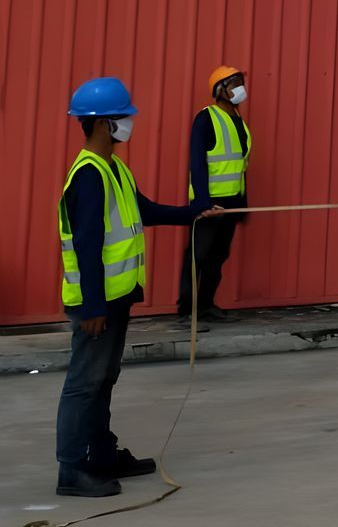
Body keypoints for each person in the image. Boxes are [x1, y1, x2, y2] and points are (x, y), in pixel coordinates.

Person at [56, 77, 221, 499]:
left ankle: (102, 454)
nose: (130, 122)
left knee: (103, 380)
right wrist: (93, 304)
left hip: (117, 295)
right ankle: (72, 470)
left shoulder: (113, 168)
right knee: (84, 383)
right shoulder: (89, 176)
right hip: (97, 303)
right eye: (123, 116)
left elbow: (144, 211)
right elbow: (88, 244)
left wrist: (196, 213)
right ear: (101, 123)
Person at [180, 65, 251, 321]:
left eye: (240, 82)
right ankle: (187, 309)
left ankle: (206, 304)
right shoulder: (206, 118)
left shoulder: (239, 122)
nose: (240, 88)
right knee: (198, 255)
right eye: (234, 84)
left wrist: (243, 203)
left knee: (218, 255)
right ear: (219, 90)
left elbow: (239, 166)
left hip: (232, 202)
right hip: (210, 203)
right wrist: (202, 202)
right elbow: (197, 163)